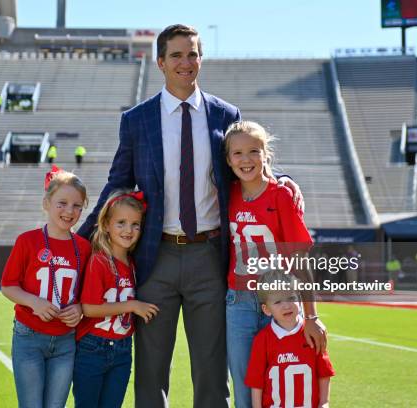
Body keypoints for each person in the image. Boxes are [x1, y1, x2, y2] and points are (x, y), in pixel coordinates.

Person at [78, 24, 304, 408]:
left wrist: (281, 179)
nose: (186, 62)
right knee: (151, 371)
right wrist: (79, 241)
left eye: (193, 54)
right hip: (155, 257)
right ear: (160, 62)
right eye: (178, 55)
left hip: (210, 256)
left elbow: (245, 161)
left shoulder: (225, 114)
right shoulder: (137, 120)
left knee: (212, 372)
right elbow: (118, 184)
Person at [224, 121, 326, 408]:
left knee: (279, 384)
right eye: (238, 153)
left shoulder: (282, 194)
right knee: (245, 387)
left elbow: (299, 257)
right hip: (239, 301)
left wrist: (312, 315)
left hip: (280, 299)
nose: (246, 160)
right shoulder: (226, 194)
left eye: (254, 151)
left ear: (266, 154)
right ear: (228, 159)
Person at [0, 165, 91, 408]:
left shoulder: (84, 247)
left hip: (65, 341)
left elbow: (86, 294)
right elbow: (8, 285)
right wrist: (34, 302)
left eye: (76, 205)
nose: (69, 211)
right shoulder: (27, 240)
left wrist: (80, 308)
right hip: (29, 337)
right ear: (46, 203)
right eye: (62, 203)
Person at [73, 190, 159, 408]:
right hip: (93, 348)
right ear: (106, 225)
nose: (128, 230)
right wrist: (132, 306)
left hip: (122, 350)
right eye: (121, 222)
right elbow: (89, 308)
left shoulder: (133, 264)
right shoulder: (99, 261)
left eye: (135, 224)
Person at [245, 270, 335, 408]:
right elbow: (256, 382)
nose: (286, 305)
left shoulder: (311, 333)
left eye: (291, 298)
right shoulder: (262, 339)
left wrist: (324, 402)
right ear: (266, 309)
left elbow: (324, 372)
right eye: (278, 302)